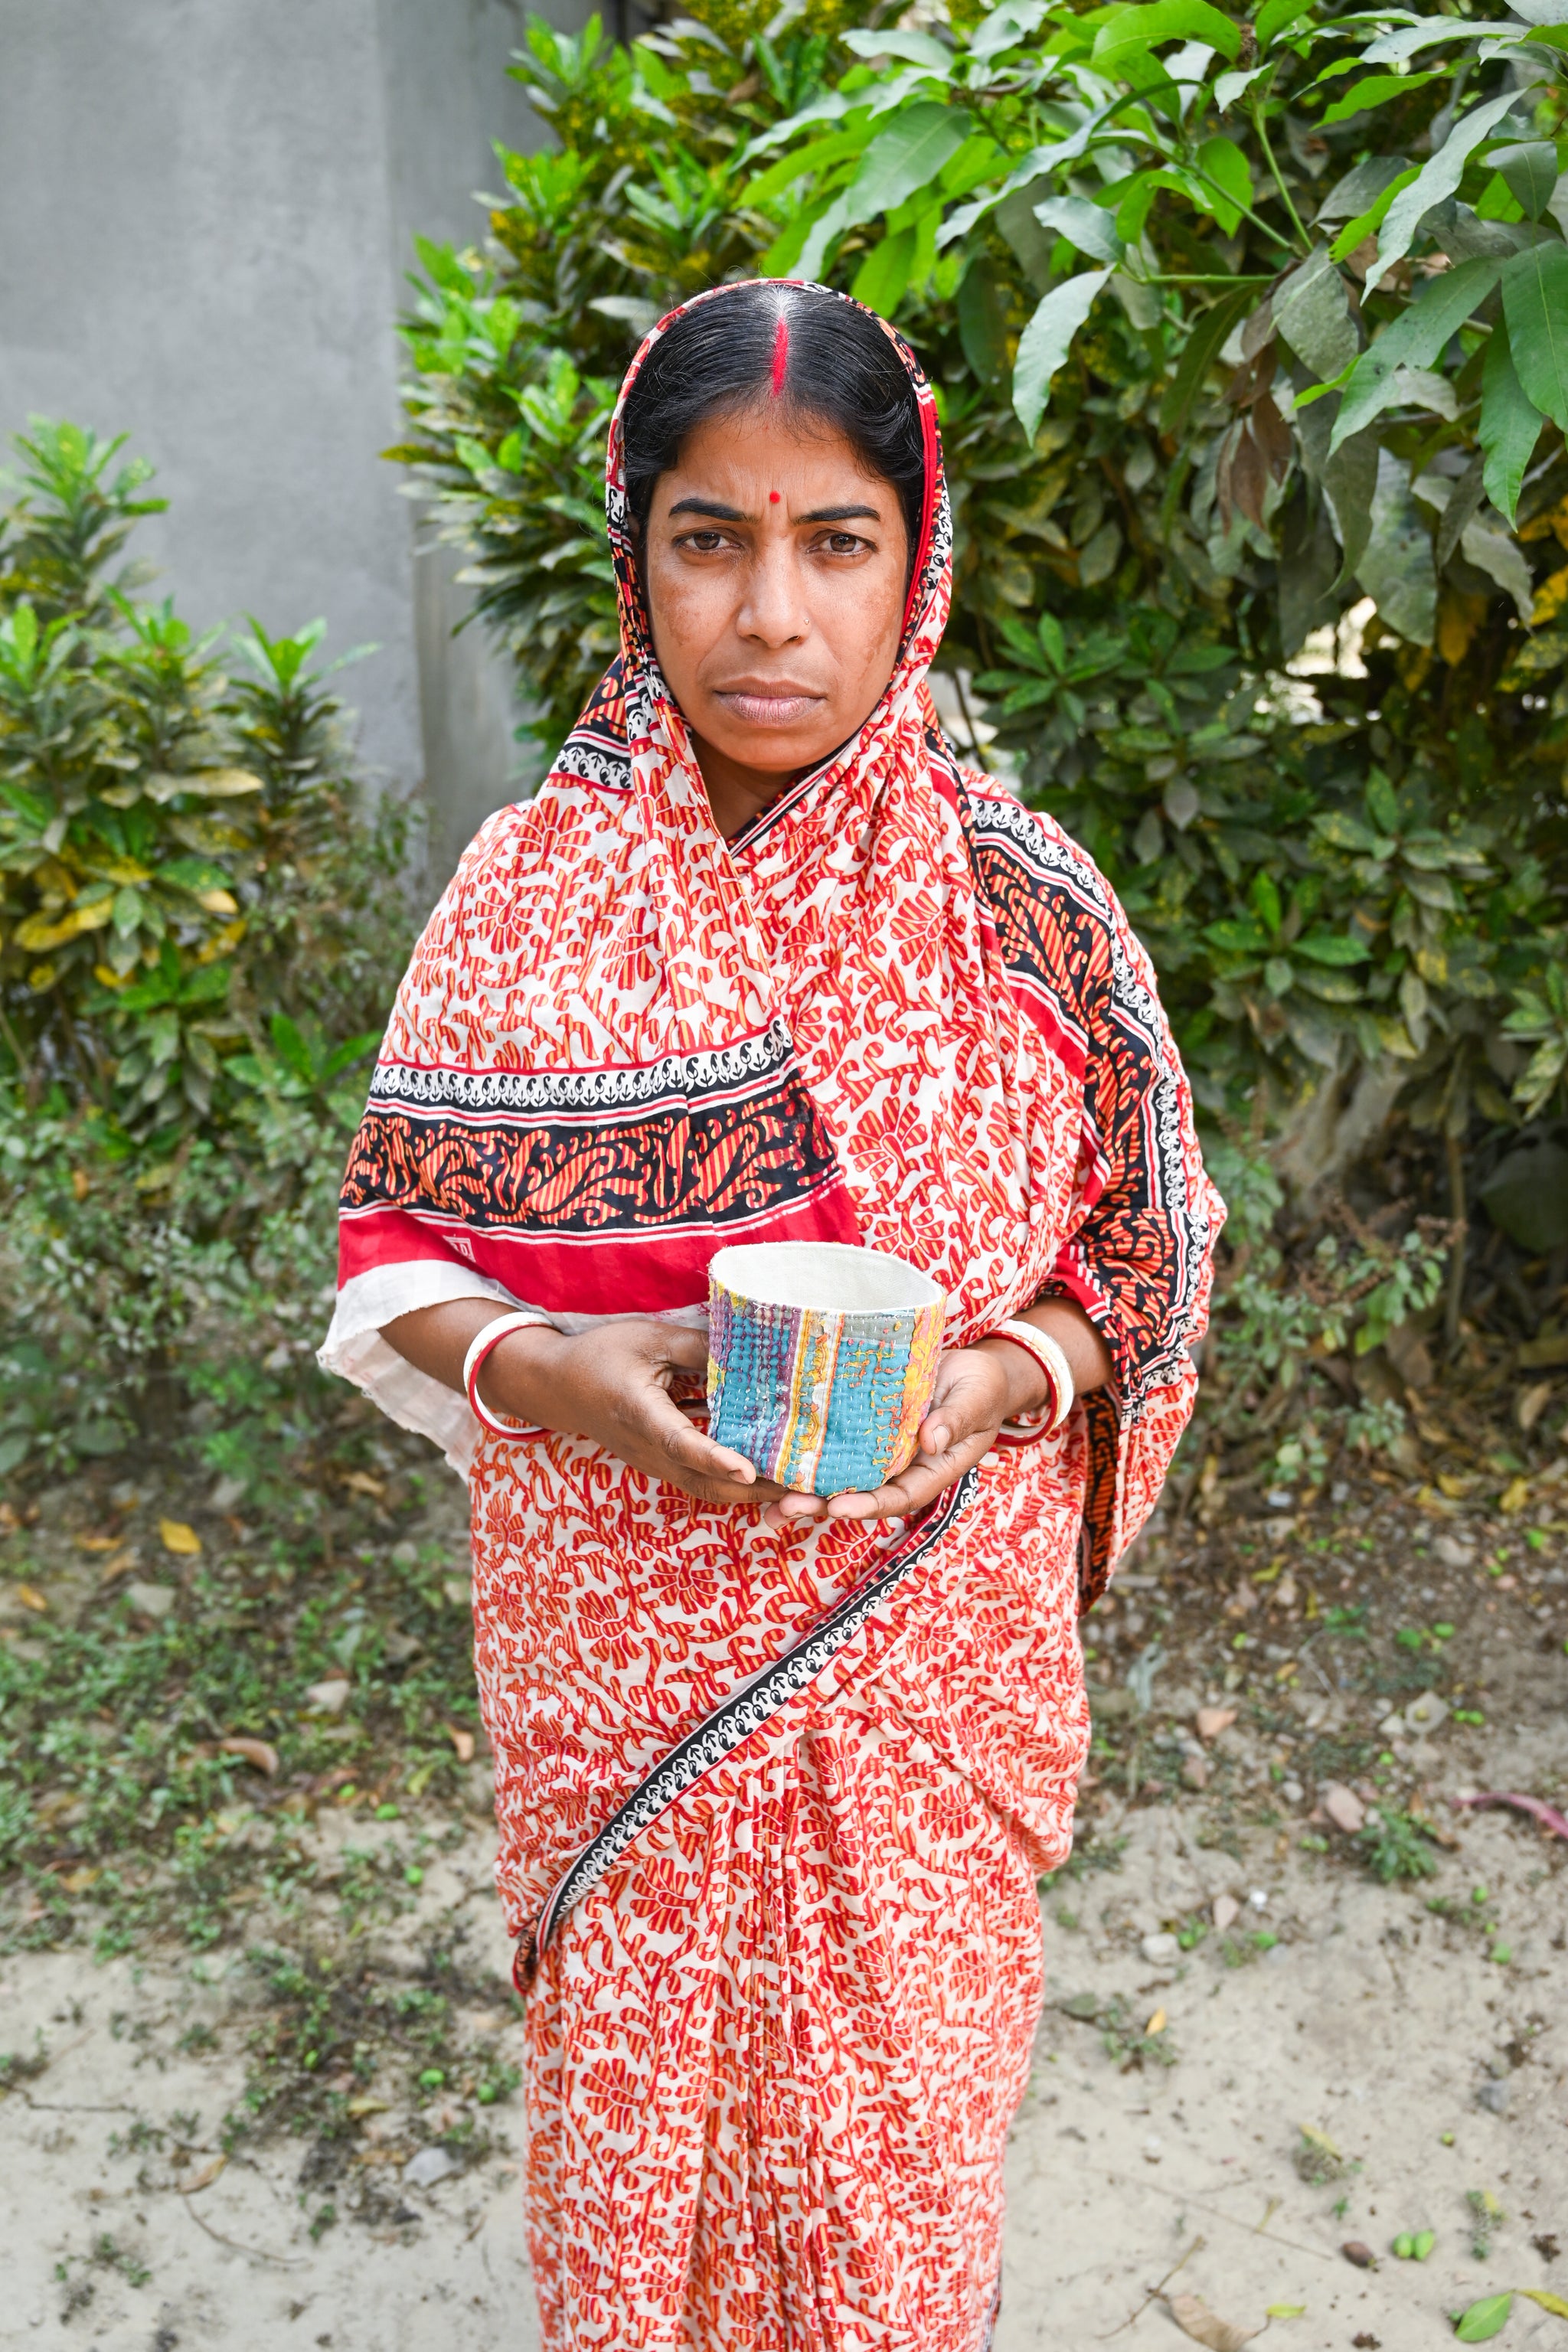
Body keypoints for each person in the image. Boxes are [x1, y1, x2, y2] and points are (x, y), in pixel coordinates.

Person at [322, 279, 1220, 2352]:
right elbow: (398, 1235)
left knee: (889, 2185)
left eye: (837, 542)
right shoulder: (527, 889)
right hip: (615, 1666)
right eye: (709, 540)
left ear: (920, 567)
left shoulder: (1022, 906)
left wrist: (1008, 1374)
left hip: (921, 1682)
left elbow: (1152, 1245)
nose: (770, 618)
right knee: (639, 2196)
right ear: (634, 556)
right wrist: (549, 1370)